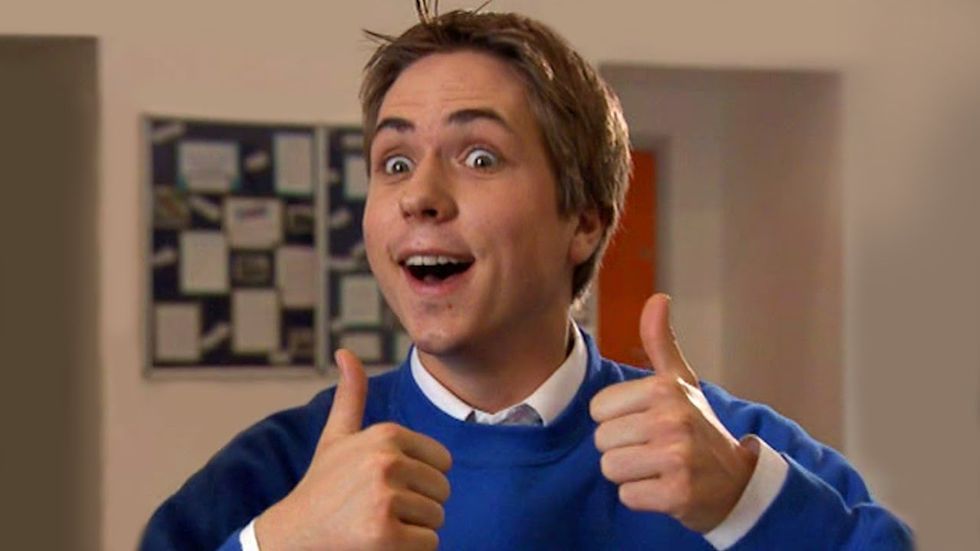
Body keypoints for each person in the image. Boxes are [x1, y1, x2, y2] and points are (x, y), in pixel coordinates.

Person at [141, 6, 913, 551]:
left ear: (585, 220)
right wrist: (277, 546)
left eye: (479, 157)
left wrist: (748, 507)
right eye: (394, 162)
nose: (419, 195)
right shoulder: (284, 471)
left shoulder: (722, 452)